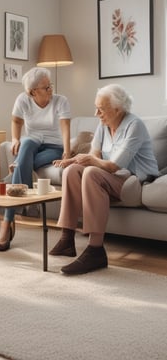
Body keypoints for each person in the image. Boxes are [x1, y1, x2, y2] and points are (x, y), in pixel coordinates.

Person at [49, 83, 159, 275]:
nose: (96, 113)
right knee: (72, 171)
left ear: (117, 109)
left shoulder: (135, 125)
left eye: (101, 109)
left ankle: (95, 250)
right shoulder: (103, 125)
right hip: (113, 178)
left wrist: (90, 160)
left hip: (135, 182)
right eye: (96, 107)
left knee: (91, 172)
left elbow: (114, 165)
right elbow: (94, 153)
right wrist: (76, 160)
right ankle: (67, 239)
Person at [0, 66, 71, 251]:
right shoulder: (23, 100)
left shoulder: (61, 101)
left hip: (54, 146)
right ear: (32, 92)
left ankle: (7, 221)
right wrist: (14, 138)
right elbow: (16, 121)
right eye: (46, 87)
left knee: (21, 164)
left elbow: (65, 128)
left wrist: (67, 152)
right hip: (33, 142)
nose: (51, 89)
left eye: (50, 85)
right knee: (26, 143)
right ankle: (24, 206)